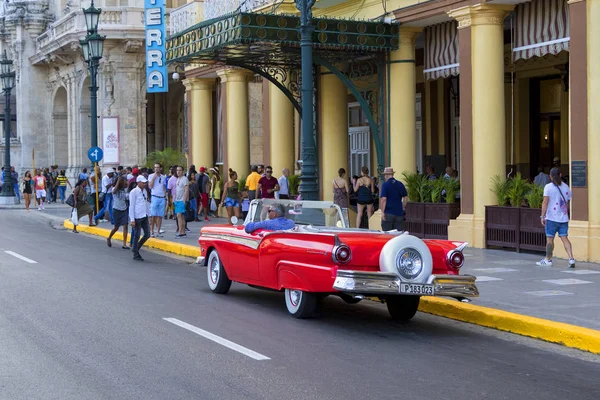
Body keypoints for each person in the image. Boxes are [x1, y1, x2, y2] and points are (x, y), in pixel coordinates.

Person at [537, 167, 576, 268]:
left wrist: (542, 216)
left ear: (550, 176)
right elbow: (569, 203)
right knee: (564, 238)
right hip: (563, 218)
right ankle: (571, 258)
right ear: (560, 175)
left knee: (550, 239)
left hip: (551, 218)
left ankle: (548, 259)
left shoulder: (548, 187)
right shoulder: (566, 187)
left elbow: (545, 202)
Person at [379, 167, 408, 232]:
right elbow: (405, 197)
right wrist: (403, 207)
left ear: (386, 175)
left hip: (388, 213)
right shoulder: (400, 184)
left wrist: (382, 212)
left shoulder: (385, 185)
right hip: (399, 214)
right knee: (398, 235)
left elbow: (383, 199)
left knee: (387, 234)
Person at [129, 175, 151, 261]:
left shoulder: (144, 191)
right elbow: (132, 206)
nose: (145, 184)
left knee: (147, 234)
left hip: (144, 215)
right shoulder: (133, 192)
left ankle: (136, 248)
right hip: (137, 216)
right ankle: (135, 253)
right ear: (138, 183)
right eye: (143, 182)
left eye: (145, 182)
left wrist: (149, 214)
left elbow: (146, 202)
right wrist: (132, 219)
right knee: (137, 235)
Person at [107, 176, 130, 249]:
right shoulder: (114, 189)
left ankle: (124, 244)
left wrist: (126, 182)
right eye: (122, 182)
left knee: (125, 226)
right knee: (116, 227)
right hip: (116, 210)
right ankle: (109, 237)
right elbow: (114, 191)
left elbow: (128, 188)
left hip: (124, 209)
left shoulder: (124, 190)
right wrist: (118, 181)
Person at [148, 162, 166, 238]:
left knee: (160, 215)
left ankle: (158, 231)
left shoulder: (163, 177)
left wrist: (165, 196)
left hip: (162, 197)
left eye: (158, 167)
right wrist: (154, 177)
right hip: (154, 197)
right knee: (153, 215)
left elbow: (164, 187)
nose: (156, 169)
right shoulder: (151, 176)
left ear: (160, 168)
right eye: (155, 167)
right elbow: (150, 186)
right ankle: (151, 231)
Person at [174, 166, 189, 238]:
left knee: (179, 216)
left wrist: (184, 200)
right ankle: (182, 232)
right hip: (177, 200)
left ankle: (180, 232)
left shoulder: (184, 179)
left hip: (181, 200)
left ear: (182, 171)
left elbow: (186, 190)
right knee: (181, 216)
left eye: (180, 170)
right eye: (177, 170)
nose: (178, 172)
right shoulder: (178, 179)